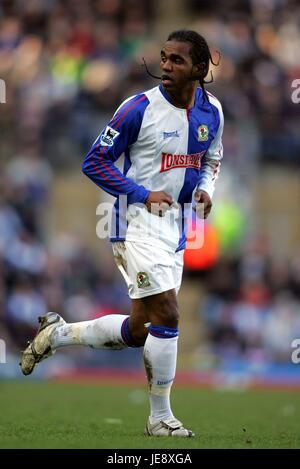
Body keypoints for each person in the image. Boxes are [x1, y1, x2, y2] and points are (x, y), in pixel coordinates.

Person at [20, 29, 224, 438]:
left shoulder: (213, 111)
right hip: (132, 222)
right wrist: (141, 193)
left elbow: (213, 157)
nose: (165, 65)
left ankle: (57, 333)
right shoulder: (137, 109)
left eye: (177, 60)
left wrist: (205, 189)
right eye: (164, 57)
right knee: (168, 313)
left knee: (141, 330)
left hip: (177, 228)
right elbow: (94, 162)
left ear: (200, 69)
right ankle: (160, 418)